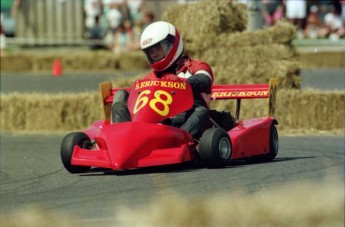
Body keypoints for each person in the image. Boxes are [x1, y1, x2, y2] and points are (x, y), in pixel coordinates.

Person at [111, 21, 213, 140]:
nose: (154, 54)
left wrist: (178, 84)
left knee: (202, 112)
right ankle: (124, 139)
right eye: (150, 51)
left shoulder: (196, 66)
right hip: (154, 123)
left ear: (172, 44)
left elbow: (204, 80)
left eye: (157, 48)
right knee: (120, 96)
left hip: (185, 119)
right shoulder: (150, 78)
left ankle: (176, 141)